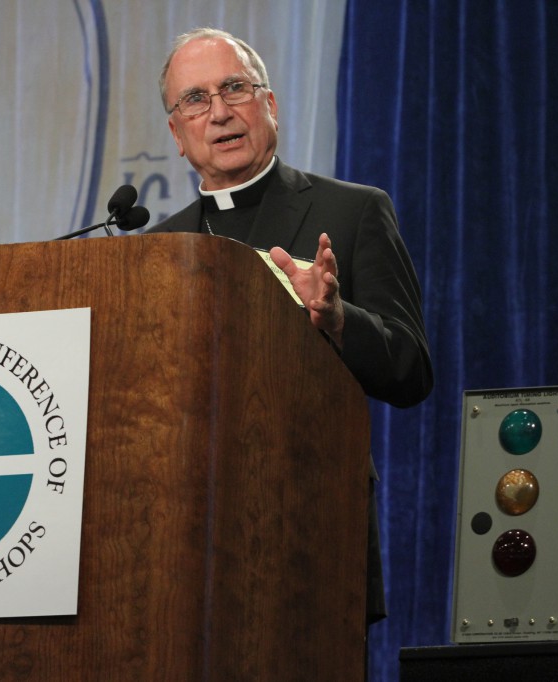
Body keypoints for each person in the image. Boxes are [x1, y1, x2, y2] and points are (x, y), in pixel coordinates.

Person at [147, 27, 433, 623]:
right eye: (195, 100)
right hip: (178, 552)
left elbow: (411, 369)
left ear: (269, 104)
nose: (220, 111)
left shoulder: (352, 212)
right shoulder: (155, 250)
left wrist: (335, 319)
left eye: (235, 88)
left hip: (310, 540)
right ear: (176, 134)